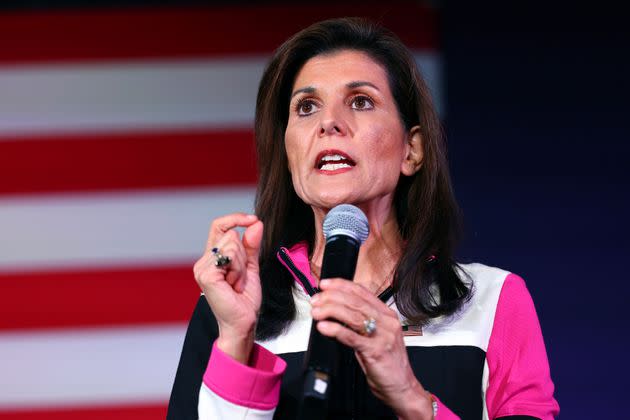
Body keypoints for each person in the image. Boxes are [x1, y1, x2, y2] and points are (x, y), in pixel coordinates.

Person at [167, 17, 559, 419]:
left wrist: (410, 396)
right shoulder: (229, 310)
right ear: (288, 154)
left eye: (360, 102)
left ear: (412, 150)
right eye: (306, 107)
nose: (328, 123)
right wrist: (237, 342)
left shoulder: (491, 300)